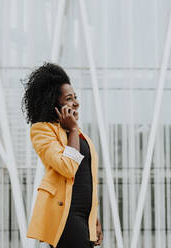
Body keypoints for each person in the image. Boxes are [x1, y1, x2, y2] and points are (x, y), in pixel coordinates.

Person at [21, 63, 103, 248]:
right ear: (54, 104)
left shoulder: (80, 135)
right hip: (65, 215)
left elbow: (86, 179)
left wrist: (94, 218)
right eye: (69, 98)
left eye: (75, 97)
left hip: (84, 217)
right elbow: (67, 167)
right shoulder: (42, 130)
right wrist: (73, 129)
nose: (76, 102)